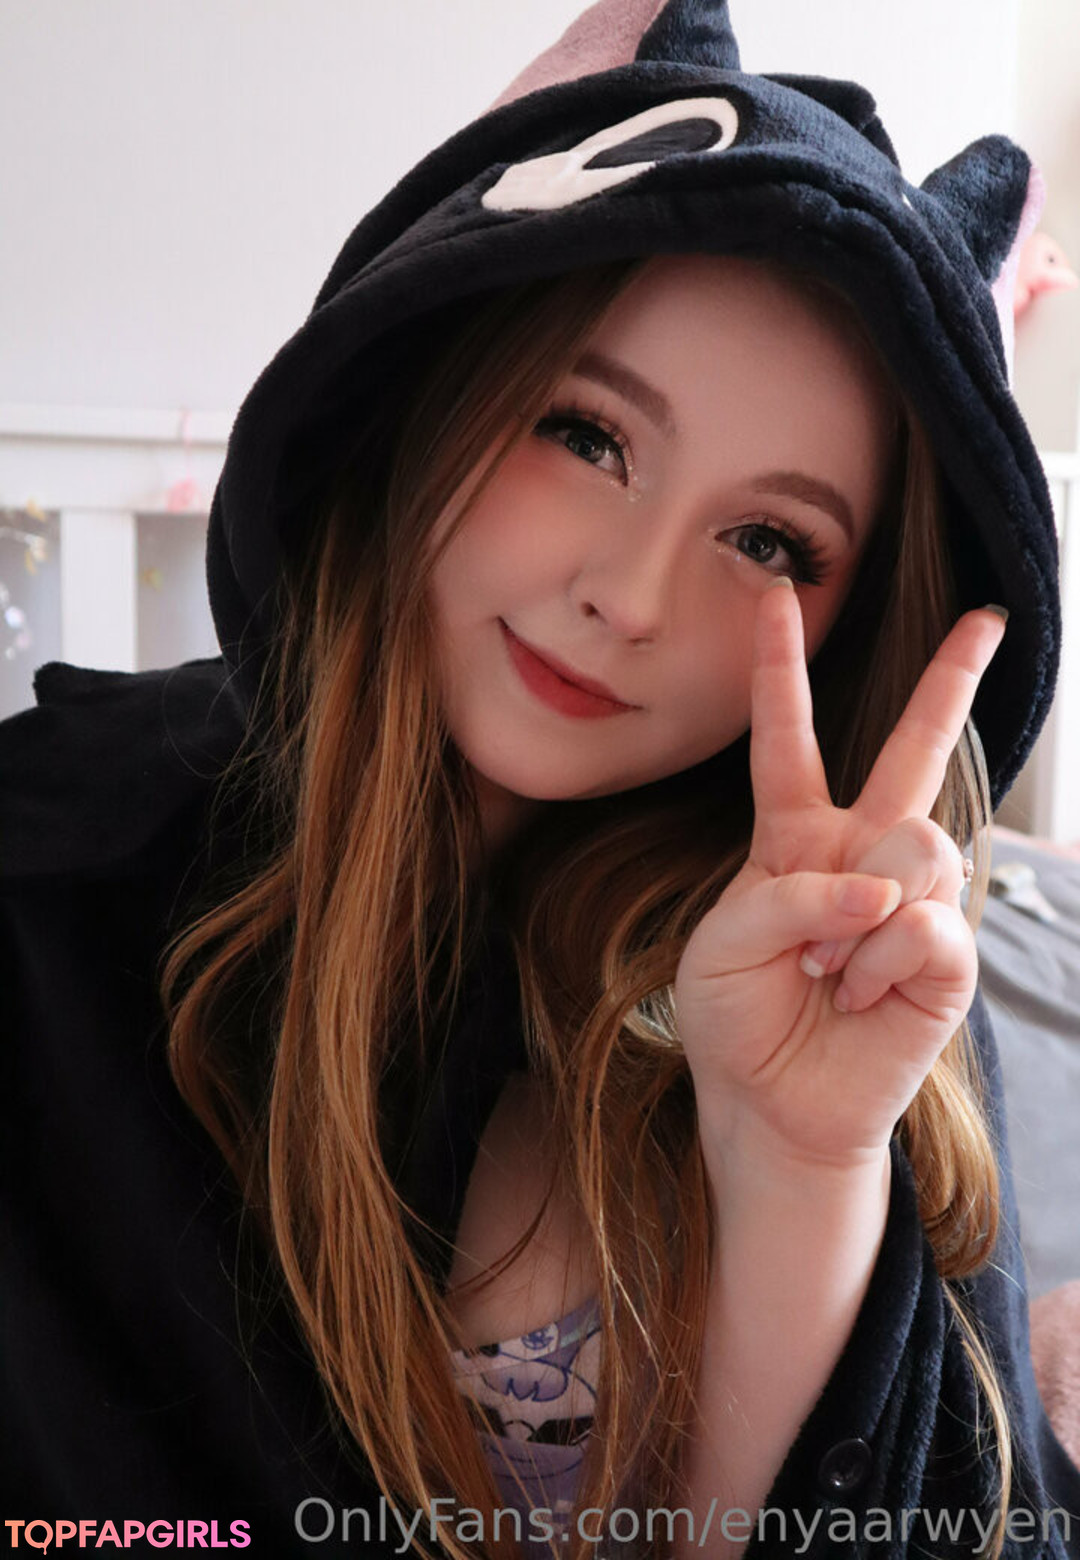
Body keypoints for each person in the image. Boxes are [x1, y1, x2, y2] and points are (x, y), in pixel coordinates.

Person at [3, 1, 1079, 1557]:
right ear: (433, 381)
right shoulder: (59, 876)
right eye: (586, 436)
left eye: (768, 540)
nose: (631, 598)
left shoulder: (862, 958)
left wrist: (802, 1176)